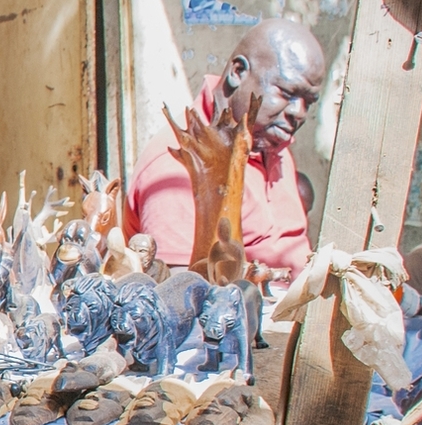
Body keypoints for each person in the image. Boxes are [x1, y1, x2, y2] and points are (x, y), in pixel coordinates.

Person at [126, 19, 326, 279]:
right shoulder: (185, 163)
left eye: (308, 102)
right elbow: (182, 300)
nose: (298, 113)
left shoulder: (271, 142)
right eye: (287, 93)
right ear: (238, 72)